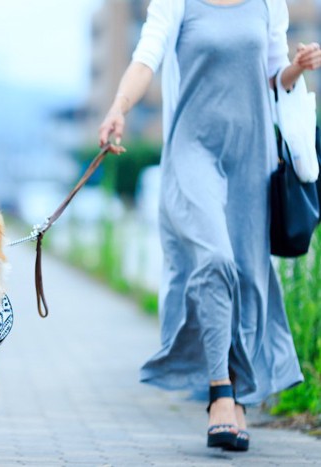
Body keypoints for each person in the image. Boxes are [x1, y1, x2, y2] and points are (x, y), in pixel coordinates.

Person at [97, 0, 321, 452]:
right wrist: (119, 107)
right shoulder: (176, 2)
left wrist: (297, 68)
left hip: (251, 155)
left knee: (248, 273)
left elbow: (274, 77)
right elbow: (147, 58)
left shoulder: (267, 4)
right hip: (192, 150)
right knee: (215, 259)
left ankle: (236, 396)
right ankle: (220, 392)